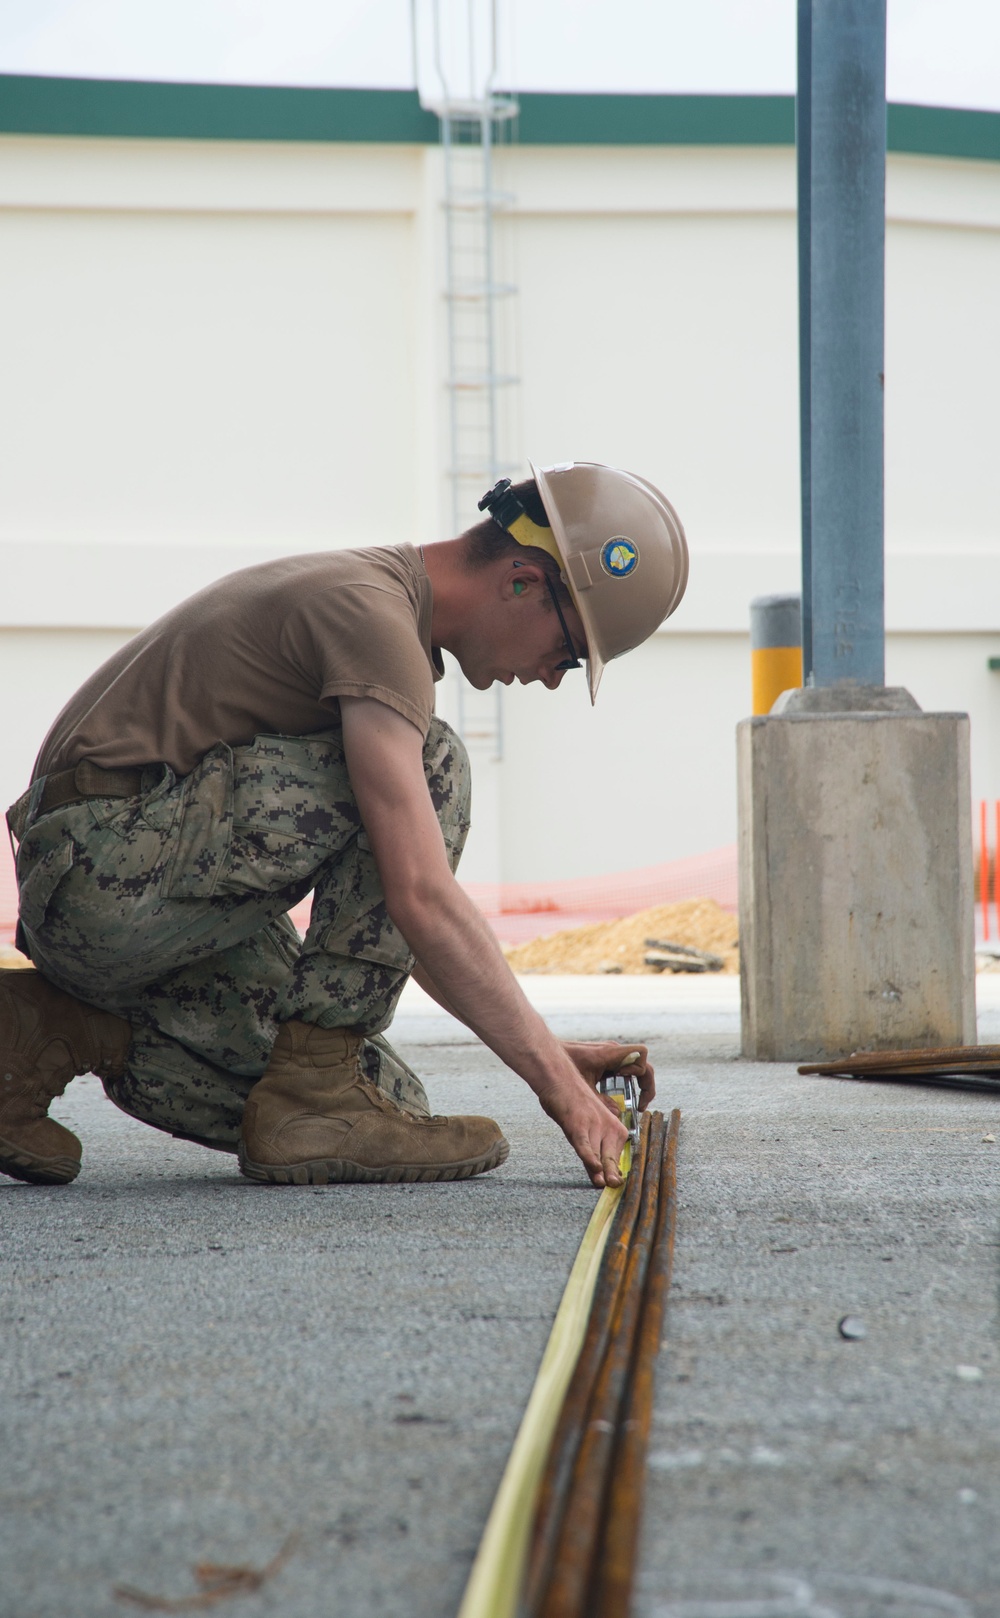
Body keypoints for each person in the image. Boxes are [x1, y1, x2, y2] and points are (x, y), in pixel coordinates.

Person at [0, 461, 688, 1193]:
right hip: (100, 873)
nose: (554, 676)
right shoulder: (374, 619)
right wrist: (559, 1091)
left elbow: (388, 918)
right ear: (522, 581)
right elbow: (416, 894)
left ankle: (48, 1030)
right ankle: (310, 1089)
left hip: (115, 891)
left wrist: (547, 1049)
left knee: (378, 1105)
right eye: (569, 650)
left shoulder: (379, 607)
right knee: (435, 764)